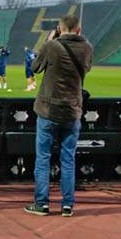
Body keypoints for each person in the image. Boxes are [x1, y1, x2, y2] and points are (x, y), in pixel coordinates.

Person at [24, 13, 92, 217]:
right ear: (79, 30)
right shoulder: (87, 47)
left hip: (48, 109)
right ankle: (67, 204)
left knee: (43, 157)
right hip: (72, 110)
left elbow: (35, 67)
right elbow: (86, 68)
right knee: (68, 158)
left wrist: (48, 41)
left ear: (60, 29)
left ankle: (42, 203)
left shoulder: (52, 46)